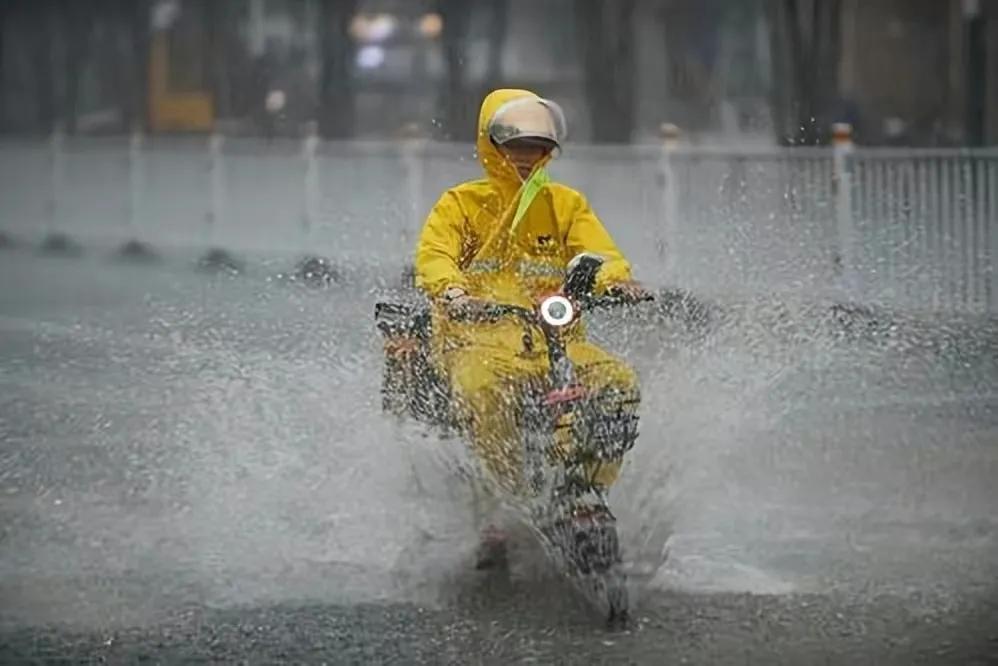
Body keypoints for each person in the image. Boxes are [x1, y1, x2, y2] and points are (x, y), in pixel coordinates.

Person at [413, 88, 650, 566]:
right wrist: (456, 295)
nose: (525, 158)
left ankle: (582, 493)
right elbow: (435, 256)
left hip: (555, 342)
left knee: (619, 382)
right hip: (476, 342)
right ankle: (507, 499)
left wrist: (618, 282)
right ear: (491, 146)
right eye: (515, 147)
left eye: (535, 148)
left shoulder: (566, 204)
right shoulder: (460, 203)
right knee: (482, 390)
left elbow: (598, 256)